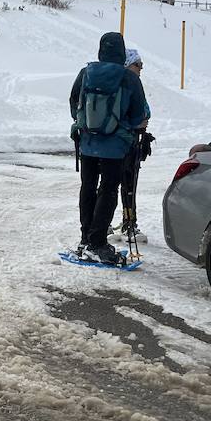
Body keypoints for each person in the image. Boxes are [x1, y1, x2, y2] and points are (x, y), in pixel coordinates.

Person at [69, 32, 150, 264]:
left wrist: (84, 123)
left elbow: (74, 103)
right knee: (108, 190)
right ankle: (98, 243)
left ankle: (86, 239)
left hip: (87, 143)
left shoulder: (86, 73)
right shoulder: (129, 78)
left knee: (88, 187)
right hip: (116, 147)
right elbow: (138, 114)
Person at [117, 49, 153, 246]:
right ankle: (129, 224)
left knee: (109, 184)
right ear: (128, 64)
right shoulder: (132, 85)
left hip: (112, 144)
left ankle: (121, 223)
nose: (141, 69)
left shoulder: (114, 84)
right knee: (128, 185)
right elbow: (144, 113)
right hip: (129, 142)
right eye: (137, 65)